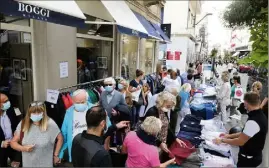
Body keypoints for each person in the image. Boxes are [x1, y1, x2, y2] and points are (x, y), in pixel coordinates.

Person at [213, 92, 268, 167]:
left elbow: (240, 141)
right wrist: (228, 136)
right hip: (255, 156)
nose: (244, 106)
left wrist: (221, 140)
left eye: (244, 103)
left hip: (248, 160)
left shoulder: (253, 121)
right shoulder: (260, 115)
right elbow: (245, 132)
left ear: (247, 103)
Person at [10, 101, 63, 167]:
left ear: (43, 113)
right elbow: (13, 143)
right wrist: (23, 148)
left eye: (39, 112)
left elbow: (60, 138)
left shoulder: (50, 123)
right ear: (29, 113)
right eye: (33, 112)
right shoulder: (23, 124)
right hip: (28, 164)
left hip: (45, 165)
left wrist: (56, 155)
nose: (36, 114)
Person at [59, 89, 94, 163]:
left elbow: (105, 126)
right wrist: (61, 153)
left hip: (92, 147)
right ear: (73, 101)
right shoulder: (69, 112)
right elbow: (64, 133)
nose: (80, 104)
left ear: (87, 100)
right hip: (75, 148)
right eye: (78, 102)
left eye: (83, 102)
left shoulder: (94, 110)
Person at [0, 93, 21, 167]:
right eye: (5, 101)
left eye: (8, 100)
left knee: (18, 163)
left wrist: (16, 132)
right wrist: (1, 143)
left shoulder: (11, 111)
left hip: (13, 143)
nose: (8, 103)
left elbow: (17, 123)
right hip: (2, 148)